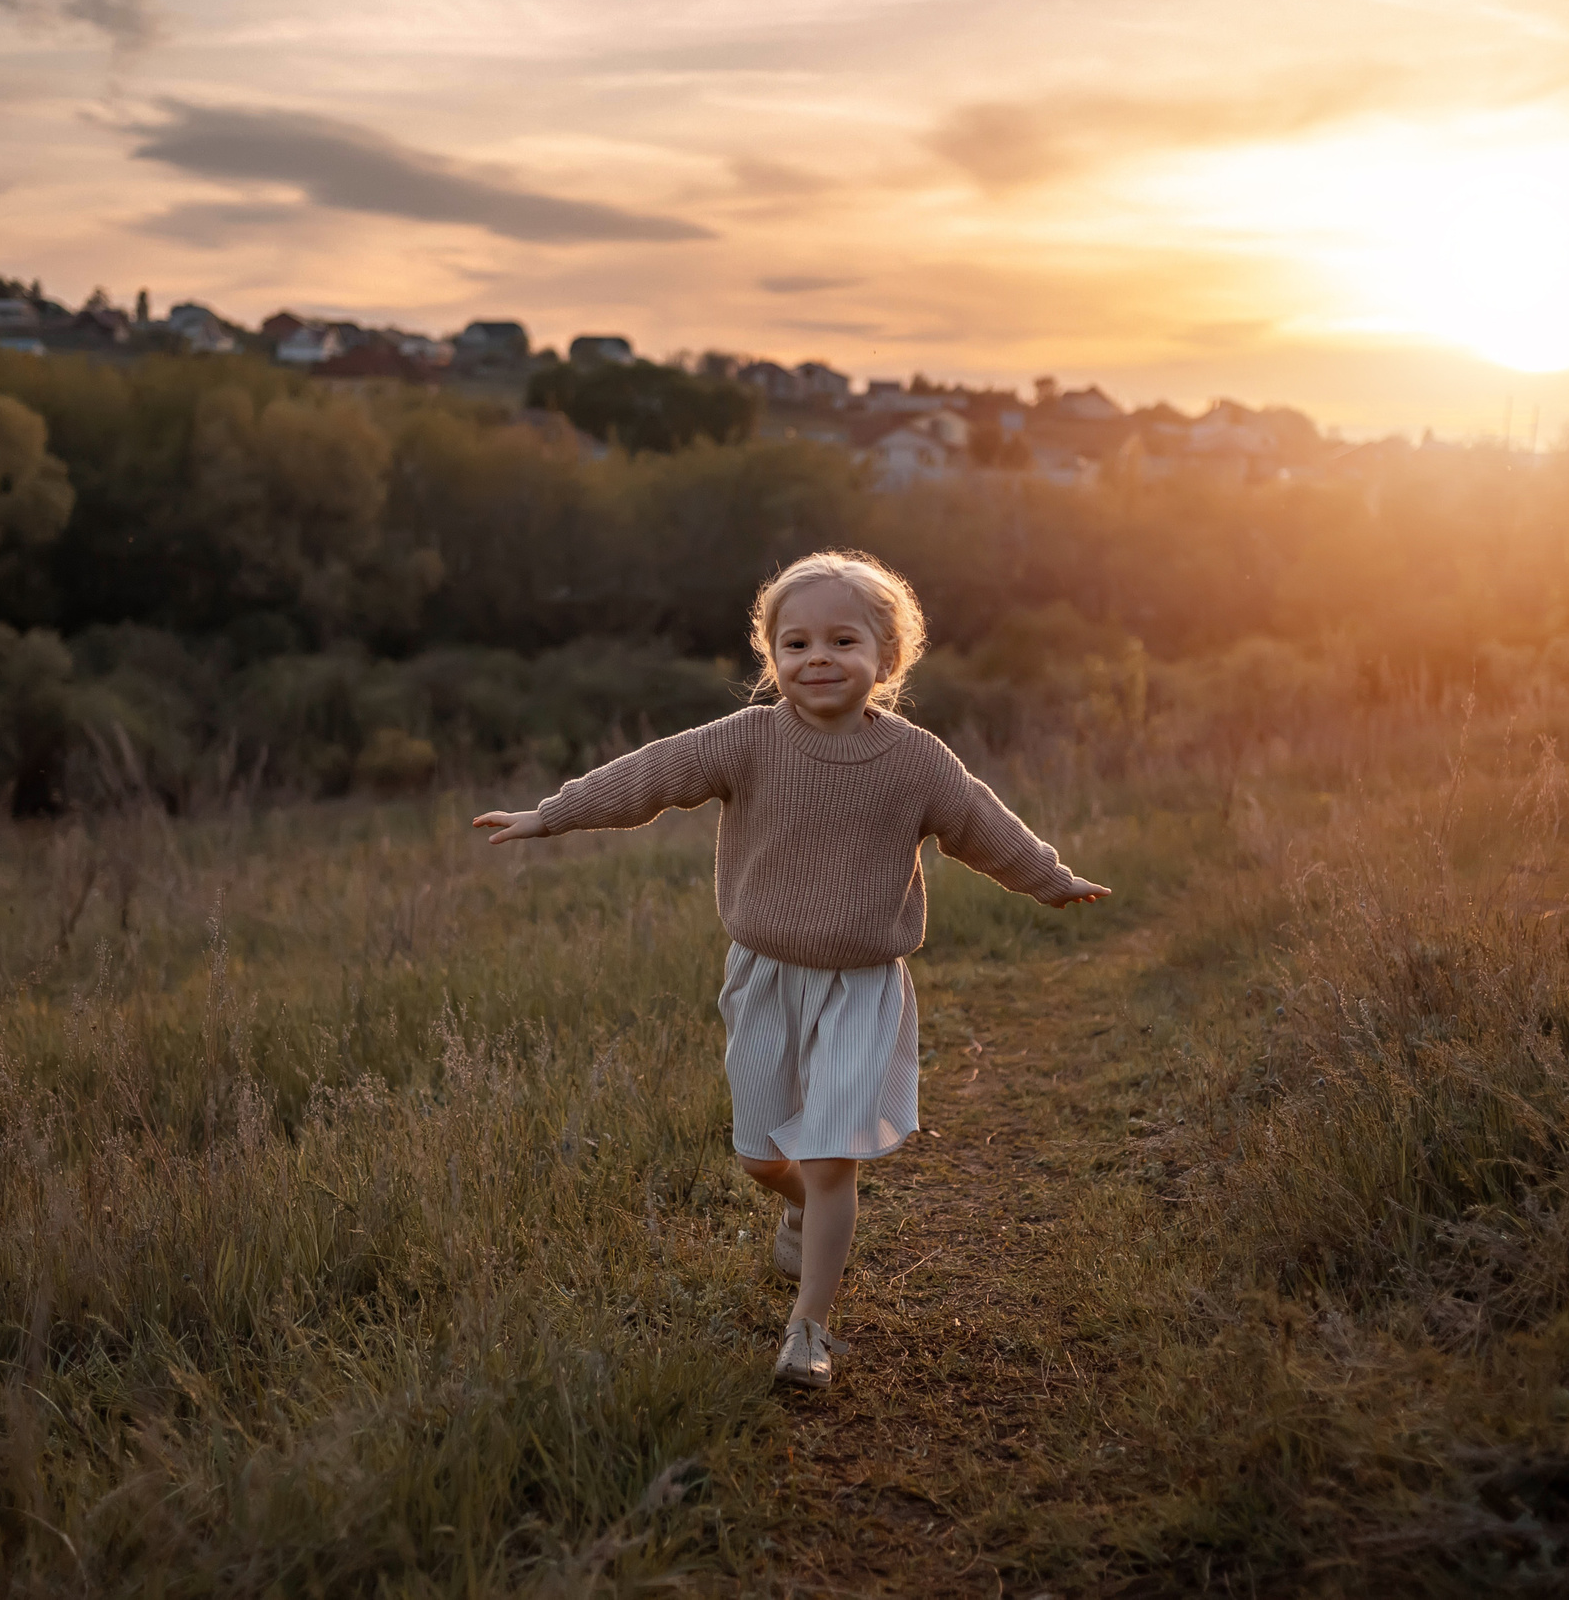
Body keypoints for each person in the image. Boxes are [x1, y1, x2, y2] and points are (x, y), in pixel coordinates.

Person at [474, 550, 1109, 1388]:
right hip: (765, 976)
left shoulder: (917, 760)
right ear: (772, 656)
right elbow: (648, 777)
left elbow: (983, 826)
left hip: (863, 986)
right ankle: (802, 1208)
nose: (817, 659)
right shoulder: (746, 741)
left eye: (843, 641)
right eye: (796, 643)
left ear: (886, 657)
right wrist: (551, 815)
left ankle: (808, 1327)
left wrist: (1050, 878)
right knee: (759, 1152)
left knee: (831, 1153)